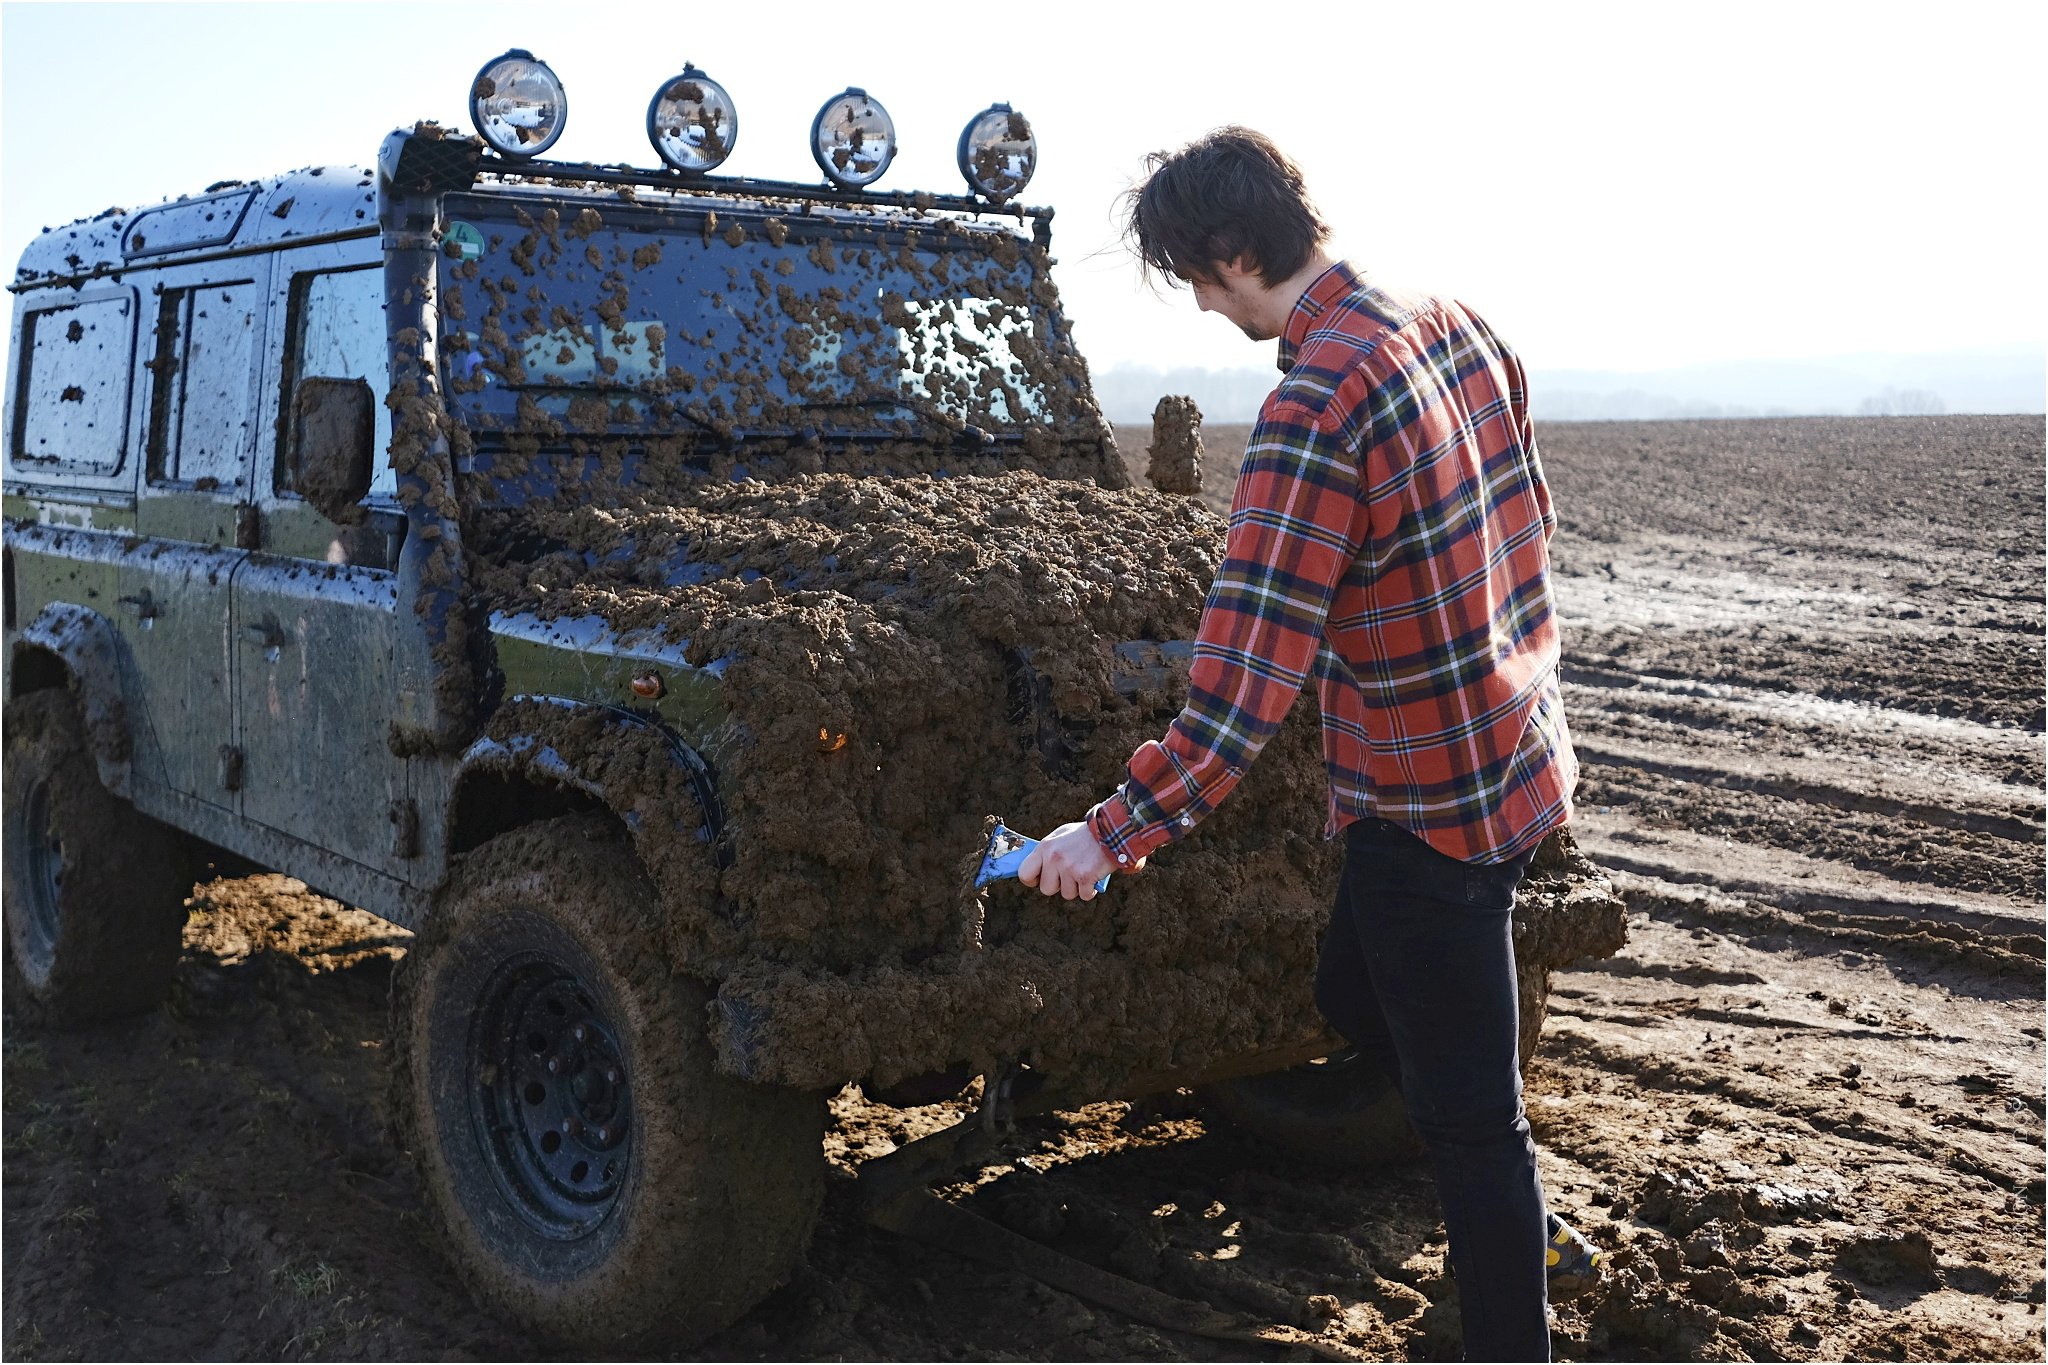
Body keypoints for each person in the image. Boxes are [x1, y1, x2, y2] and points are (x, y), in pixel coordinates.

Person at [1018, 126, 1596, 1361]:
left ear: (1233, 252)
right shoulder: (1450, 320)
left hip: (1427, 809)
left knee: (1472, 1132)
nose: (1197, 301)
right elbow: (1528, 523)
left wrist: (1105, 837)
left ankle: (1520, 1277)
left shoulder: (1309, 410)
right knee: (1351, 992)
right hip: (1515, 751)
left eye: (1194, 275)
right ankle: (1495, 1165)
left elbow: (1240, 694)